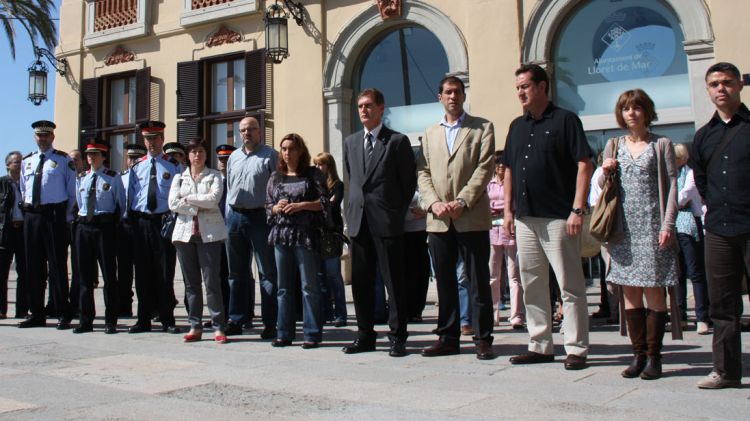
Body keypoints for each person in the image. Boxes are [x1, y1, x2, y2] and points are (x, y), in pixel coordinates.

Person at [503, 64, 593, 370]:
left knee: (569, 286)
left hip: (559, 218)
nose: (520, 93)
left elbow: (584, 164)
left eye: (525, 86)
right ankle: (540, 344)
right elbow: (509, 170)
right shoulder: (516, 126)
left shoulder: (566, 120)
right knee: (532, 283)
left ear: (542, 86)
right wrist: (507, 211)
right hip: (525, 219)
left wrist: (577, 209)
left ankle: (576, 348)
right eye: (517, 88)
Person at [599, 89, 679, 380]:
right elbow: (601, 187)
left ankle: (655, 358)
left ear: (647, 111)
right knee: (630, 294)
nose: (631, 113)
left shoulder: (662, 145)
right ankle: (638, 355)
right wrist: (605, 170)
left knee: (655, 293)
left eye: (636, 108)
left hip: (652, 226)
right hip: (623, 230)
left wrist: (667, 225)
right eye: (626, 109)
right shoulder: (613, 145)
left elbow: (672, 186)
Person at [417, 76, 495, 360]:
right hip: (439, 220)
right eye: (448, 92)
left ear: (464, 96)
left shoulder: (482, 128)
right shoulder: (429, 134)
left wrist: (463, 200)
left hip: (470, 216)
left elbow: (485, 167)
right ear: (440, 97)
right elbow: (422, 173)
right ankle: (447, 338)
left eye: (458, 92)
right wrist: (434, 203)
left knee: (477, 280)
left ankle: (483, 338)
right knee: (445, 282)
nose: (453, 96)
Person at [342, 88, 416, 357]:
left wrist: (395, 212)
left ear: (381, 108)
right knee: (360, 282)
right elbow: (353, 182)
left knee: (393, 282)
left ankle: (397, 337)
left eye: (369, 105)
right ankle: (365, 335)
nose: (363, 110)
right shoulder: (351, 142)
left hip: (386, 222)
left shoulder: (396, 141)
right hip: (359, 222)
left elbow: (408, 183)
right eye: (360, 106)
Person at [691, 62, 749, 389]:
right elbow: (701, 180)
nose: (720, 89)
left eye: (727, 82)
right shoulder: (703, 136)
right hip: (719, 228)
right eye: (714, 84)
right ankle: (726, 371)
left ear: (739, 85)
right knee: (722, 304)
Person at [266, 134, 328, 348]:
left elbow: (324, 203)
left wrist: (301, 205)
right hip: (281, 235)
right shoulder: (275, 176)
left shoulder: (313, 174)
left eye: (291, 148)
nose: (287, 152)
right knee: (283, 287)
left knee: (309, 286)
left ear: (301, 151)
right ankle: (284, 333)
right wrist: (277, 207)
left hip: (306, 236)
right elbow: (268, 206)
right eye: (284, 148)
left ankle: (311, 333)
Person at [18, 120, 77, 329]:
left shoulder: (63, 161)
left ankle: (62, 312)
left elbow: (72, 192)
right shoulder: (28, 161)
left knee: (57, 266)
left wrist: (66, 216)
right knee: (33, 266)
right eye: (39, 136)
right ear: (35, 137)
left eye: (46, 135)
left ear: (52, 137)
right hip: (32, 216)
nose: (42, 139)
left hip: (54, 216)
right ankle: (36, 313)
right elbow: (24, 189)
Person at [169, 138, 228, 344]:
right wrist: (196, 204)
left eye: (201, 151)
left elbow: (213, 200)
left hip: (209, 234)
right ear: (188, 156)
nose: (197, 155)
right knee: (191, 284)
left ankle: (219, 325)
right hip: (184, 235)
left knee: (212, 282)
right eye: (193, 151)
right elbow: (173, 203)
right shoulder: (179, 178)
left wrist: (188, 199)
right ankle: (195, 325)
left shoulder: (215, 176)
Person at [225, 116, 278, 339]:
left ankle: (270, 323)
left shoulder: (270, 155)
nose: (247, 133)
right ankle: (237, 319)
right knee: (236, 273)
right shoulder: (233, 157)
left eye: (251, 129)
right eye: (243, 130)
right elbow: (229, 187)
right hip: (235, 218)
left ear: (260, 132)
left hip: (260, 218)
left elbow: (278, 187)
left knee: (267, 273)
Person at [127, 120, 181, 334]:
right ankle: (143, 319)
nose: (151, 143)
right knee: (142, 273)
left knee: (165, 272)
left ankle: (167, 318)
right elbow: (131, 196)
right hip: (141, 223)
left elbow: (179, 195)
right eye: (147, 139)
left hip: (163, 222)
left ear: (162, 139)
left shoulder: (173, 165)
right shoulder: (137, 166)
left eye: (155, 139)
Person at [74, 141, 125, 334]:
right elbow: (80, 204)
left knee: (109, 276)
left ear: (104, 157)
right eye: (88, 155)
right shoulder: (81, 178)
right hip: (85, 227)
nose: (91, 158)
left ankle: (110, 320)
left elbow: (121, 204)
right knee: (85, 276)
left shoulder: (113, 178)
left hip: (105, 228)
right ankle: (85, 320)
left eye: (95, 155)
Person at [673, 143, 710, 335]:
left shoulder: (690, 174)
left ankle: (702, 317)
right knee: (678, 274)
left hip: (688, 225)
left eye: (675, 157)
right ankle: (680, 317)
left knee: (695, 272)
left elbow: (682, 198)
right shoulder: (668, 176)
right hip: (672, 227)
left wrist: (668, 202)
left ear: (683, 158)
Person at [487, 150, 523, 328]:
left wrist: (499, 207)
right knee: (493, 275)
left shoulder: (513, 183)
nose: (500, 166)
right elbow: (486, 204)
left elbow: (514, 204)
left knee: (514, 275)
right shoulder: (490, 184)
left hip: (511, 229)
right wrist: (498, 207)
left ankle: (516, 315)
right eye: (498, 163)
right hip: (493, 230)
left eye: (503, 163)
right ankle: (494, 314)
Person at [313, 152, 347, 327]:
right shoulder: (314, 185)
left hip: (332, 234)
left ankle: (341, 314)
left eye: (321, 164)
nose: (318, 168)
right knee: (320, 276)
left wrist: (318, 204)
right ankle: (326, 313)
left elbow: (332, 205)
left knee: (333, 274)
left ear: (329, 165)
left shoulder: (337, 185)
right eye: (316, 164)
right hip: (316, 233)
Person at [117, 143, 146, 317]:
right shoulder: (119, 177)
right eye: (130, 157)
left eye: (137, 158)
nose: (133, 161)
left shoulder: (145, 176)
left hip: (141, 224)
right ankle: (124, 306)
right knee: (124, 270)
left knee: (144, 269)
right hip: (124, 225)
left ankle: (148, 307)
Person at [0, 151, 28, 319]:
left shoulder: (27, 182)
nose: (20, 165)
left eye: (21, 162)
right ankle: (2, 310)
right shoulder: (2, 183)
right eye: (16, 162)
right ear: (8, 165)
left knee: (24, 271)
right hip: (6, 231)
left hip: (23, 230)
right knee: (2, 273)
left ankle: (22, 310)